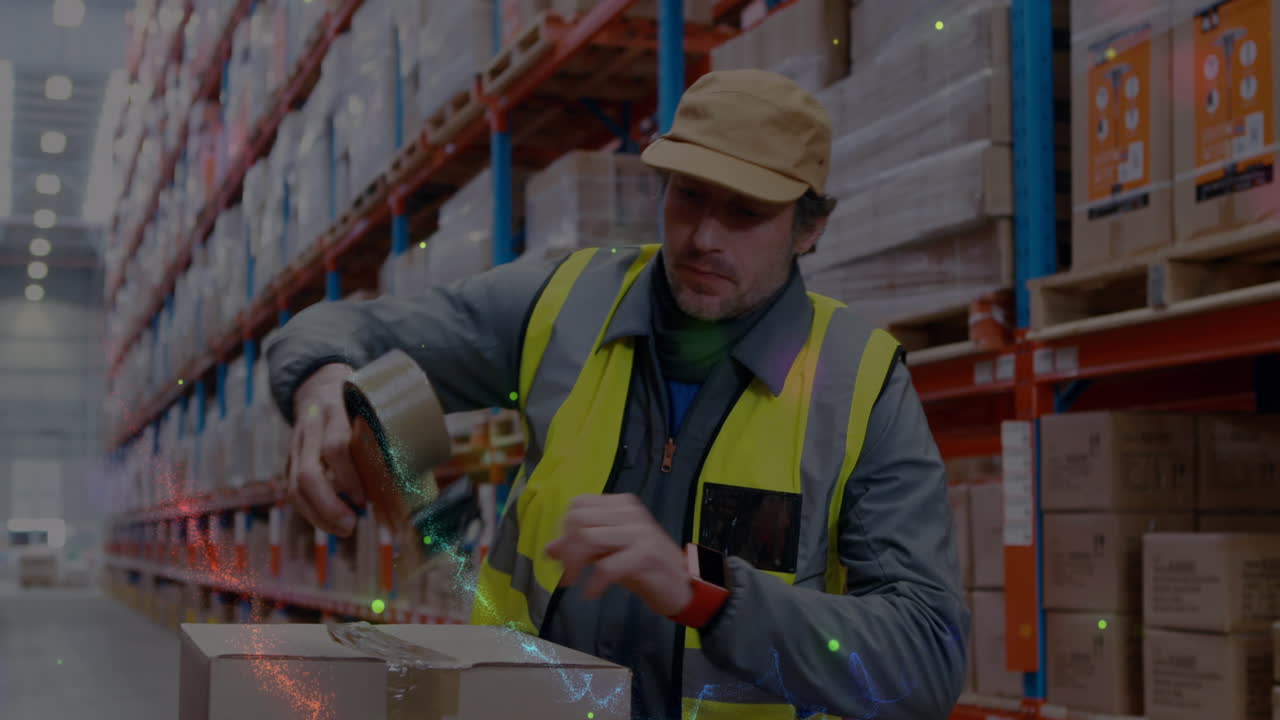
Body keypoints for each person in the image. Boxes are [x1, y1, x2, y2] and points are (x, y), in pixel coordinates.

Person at [266, 69, 968, 720]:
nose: (703, 237)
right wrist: (324, 378)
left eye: (746, 213)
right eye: (687, 194)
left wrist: (707, 591)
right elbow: (342, 328)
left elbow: (925, 657)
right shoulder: (564, 305)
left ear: (809, 229)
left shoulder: (861, 384)